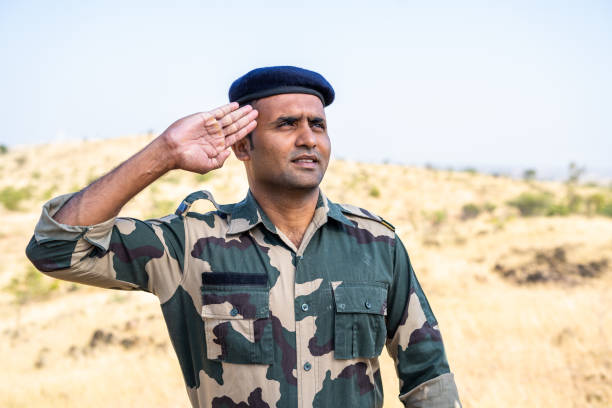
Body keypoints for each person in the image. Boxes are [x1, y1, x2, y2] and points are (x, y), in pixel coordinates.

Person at [26, 66, 462, 408]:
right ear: (242, 146)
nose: (309, 139)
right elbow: (58, 247)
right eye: (287, 124)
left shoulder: (376, 244)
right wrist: (165, 153)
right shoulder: (191, 244)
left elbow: (428, 374)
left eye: (318, 124)